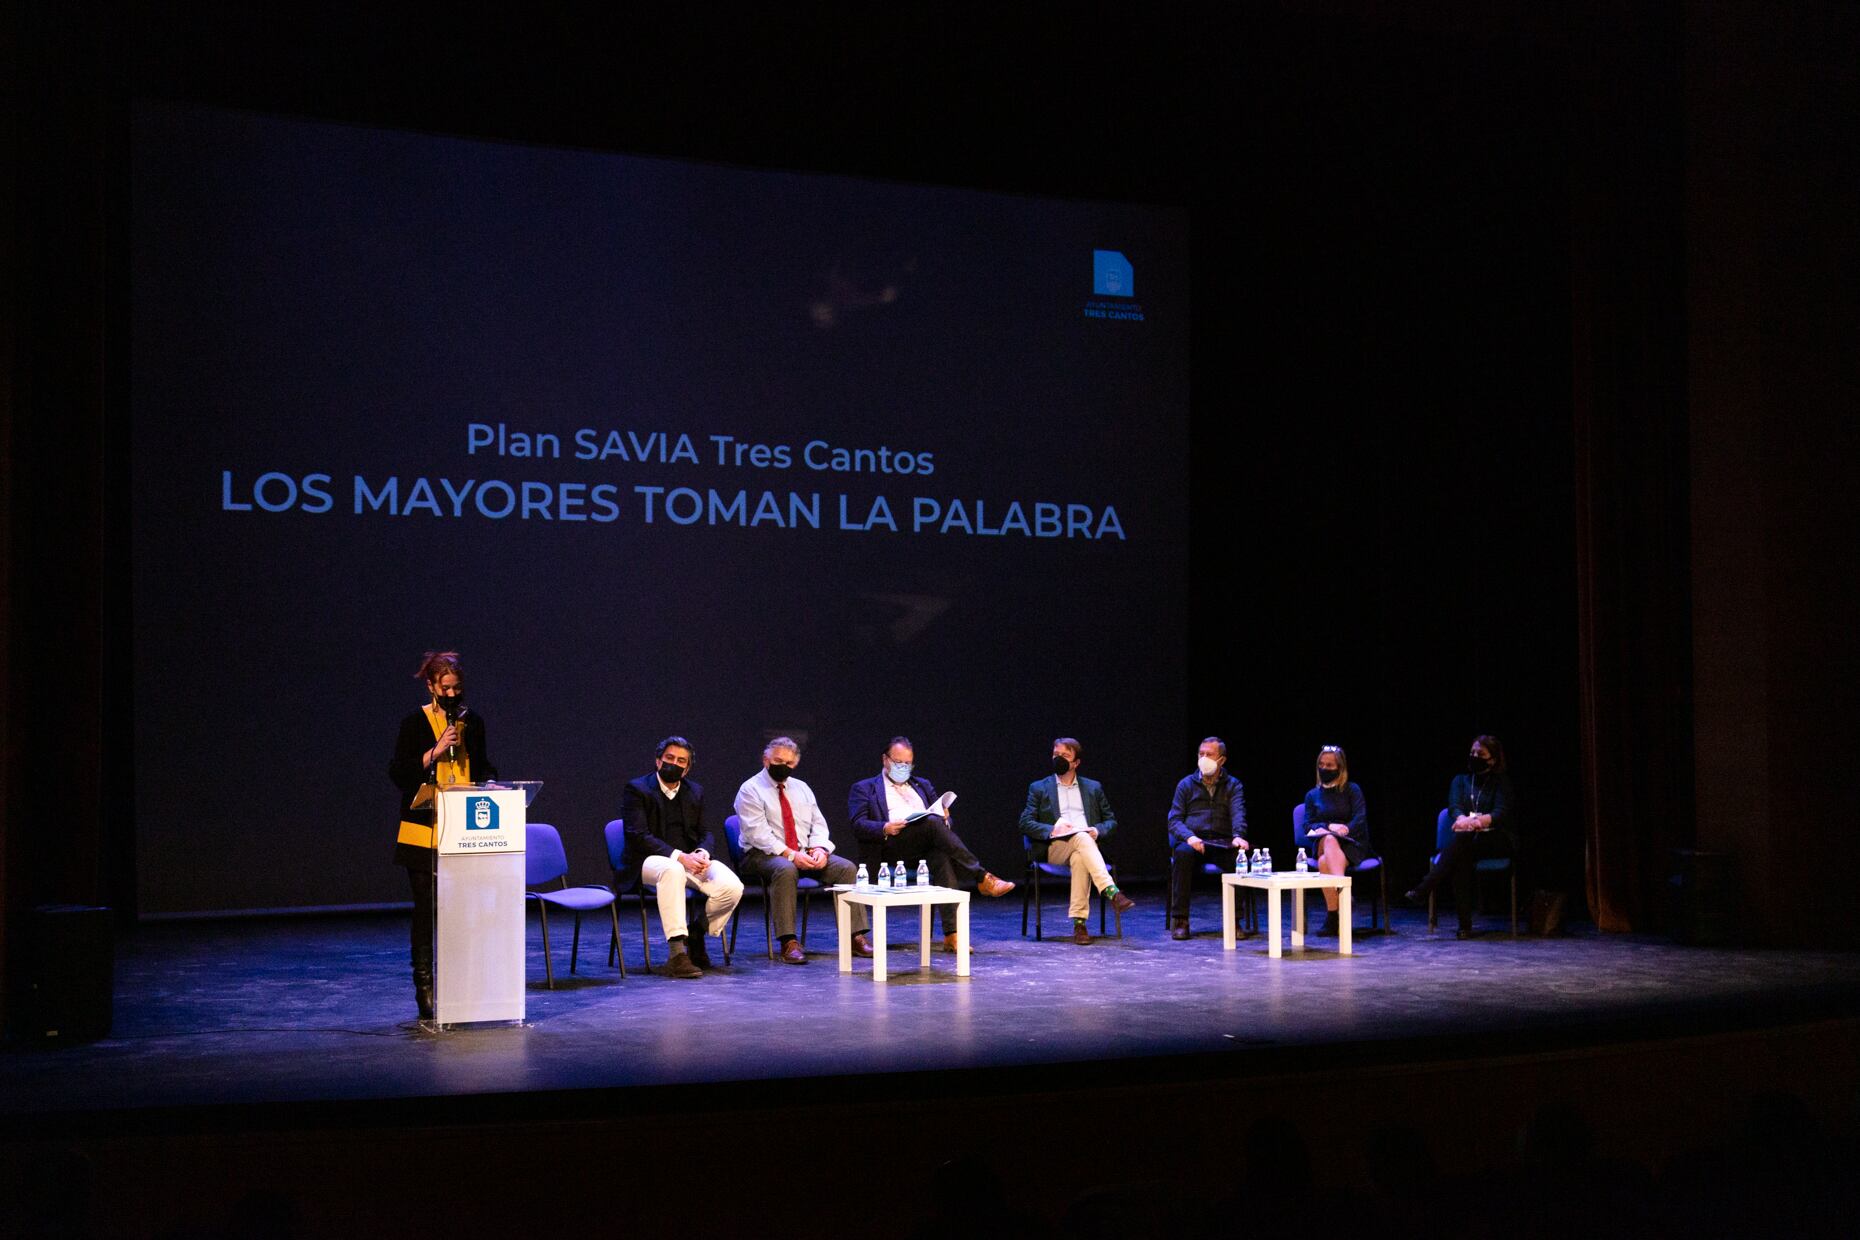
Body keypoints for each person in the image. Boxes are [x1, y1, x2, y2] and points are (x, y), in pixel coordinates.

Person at [388, 650, 494, 1020]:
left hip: (464, 830)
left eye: (456, 687)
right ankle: (425, 986)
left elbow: (483, 768)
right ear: (431, 686)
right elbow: (400, 773)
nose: (451, 694)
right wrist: (435, 751)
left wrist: (494, 787)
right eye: (444, 687)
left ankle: (461, 984)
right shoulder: (413, 723)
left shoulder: (473, 723)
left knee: (463, 910)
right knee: (426, 908)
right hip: (422, 830)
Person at [847, 736, 1016, 952]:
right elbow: (858, 824)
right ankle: (982, 877)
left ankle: (953, 935)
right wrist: (885, 827)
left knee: (940, 856)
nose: (903, 767)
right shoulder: (864, 788)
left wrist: (945, 817)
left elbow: (942, 824)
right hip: (890, 847)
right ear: (885, 760)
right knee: (933, 824)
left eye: (908, 764)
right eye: (898, 762)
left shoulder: (922, 785)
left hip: (922, 848)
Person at [734, 736, 870, 964]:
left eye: (789, 763)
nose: (783, 766)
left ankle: (854, 936)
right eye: (778, 760)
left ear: (795, 764)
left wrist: (819, 849)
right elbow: (757, 834)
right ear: (766, 759)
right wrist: (790, 854)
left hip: (802, 852)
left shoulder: (802, 788)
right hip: (761, 854)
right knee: (785, 869)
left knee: (845, 868)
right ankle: (788, 941)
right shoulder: (750, 789)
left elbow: (818, 823)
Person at [620, 735, 744, 979]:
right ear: (658, 761)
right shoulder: (637, 789)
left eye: (681, 761)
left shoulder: (694, 791)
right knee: (672, 870)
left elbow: (706, 831)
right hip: (646, 861)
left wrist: (701, 853)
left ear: (687, 769)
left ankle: (696, 932)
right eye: (669, 758)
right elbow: (638, 835)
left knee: (732, 887)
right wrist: (679, 857)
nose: (674, 764)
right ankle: (677, 953)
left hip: (688, 860)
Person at [1018, 736, 1133, 944]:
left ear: (1076, 762)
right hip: (1053, 846)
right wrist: (1053, 829)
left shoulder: (1093, 788)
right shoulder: (1039, 787)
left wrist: (1096, 831)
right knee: (1080, 840)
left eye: (1065, 756)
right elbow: (1025, 822)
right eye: (1056, 755)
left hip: (1086, 846)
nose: (1058, 759)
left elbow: (1111, 822)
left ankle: (1079, 924)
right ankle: (1111, 890)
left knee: (1081, 855)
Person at [1405, 735, 1515, 938]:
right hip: (1468, 841)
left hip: (1495, 839)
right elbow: (1454, 806)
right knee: (1460, 857)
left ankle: (1425, 888)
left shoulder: (1501, 782)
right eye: (1472, 753)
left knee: (1461, 845)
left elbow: (1501, 812)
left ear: (1493, 759)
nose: (1475, 757)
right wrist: (1463, 819)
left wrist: (1474, 822)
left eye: (1480, 754)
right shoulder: (1460, 781)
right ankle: (1464, 927)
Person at [1166, 736, 1249, 940]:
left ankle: (1235, 921)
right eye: (1201, 754)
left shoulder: (1233, 785)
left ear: (1221, 760)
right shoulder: (1186, 785)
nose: (1204, 758)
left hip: (1220, 840)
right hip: (1193, 841)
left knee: (1238, 860)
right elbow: (1174, 820)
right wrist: (1190, 837)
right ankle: (1181, 921)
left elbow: (1238, 813)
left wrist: (1238, 836)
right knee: (1182, 856)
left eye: (1209, 754)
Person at [1297, 744, 1372, 935]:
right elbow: (1307, 824)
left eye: (1329, 766)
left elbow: (1360, 818)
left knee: (1323, 863)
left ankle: (1333, 917)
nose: (1325, 769)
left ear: (1340, 768)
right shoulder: (1312, 795)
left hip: (1351, 843)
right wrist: (1330, 827)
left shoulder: (1352, 790)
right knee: (1329, 839)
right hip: (1323, 842)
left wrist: (1346, 828)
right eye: (1321, 764)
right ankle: (1343, 888)